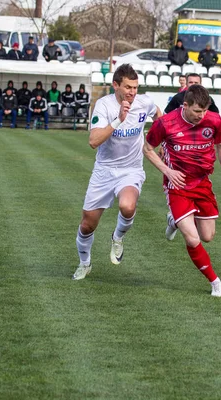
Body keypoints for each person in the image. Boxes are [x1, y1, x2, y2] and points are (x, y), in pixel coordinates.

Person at [143, 85, 221, 297]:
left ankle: (174, 220)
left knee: (208, 236)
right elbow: (147, 148)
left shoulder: (213, 121)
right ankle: (215, 282)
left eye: (204, 111)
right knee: (193, 239)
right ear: (185, 105)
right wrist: (167, 170)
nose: (201, 116)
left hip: (202, 184)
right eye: (196, 111)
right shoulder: (165, 124)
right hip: (177, 185)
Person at [72, 64, 162, 280]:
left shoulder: (144, 103)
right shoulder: (104, 106)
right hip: (104, 171)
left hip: (131, 169)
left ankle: (117, 237)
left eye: (135, 87)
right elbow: (93, 141)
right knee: (87, 224)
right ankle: (85, 263)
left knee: (127, 206)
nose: (132, 92)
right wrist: (118, 120)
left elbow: (159, 116)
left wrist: (158, 140)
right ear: (115, 85)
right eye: (128, 87)